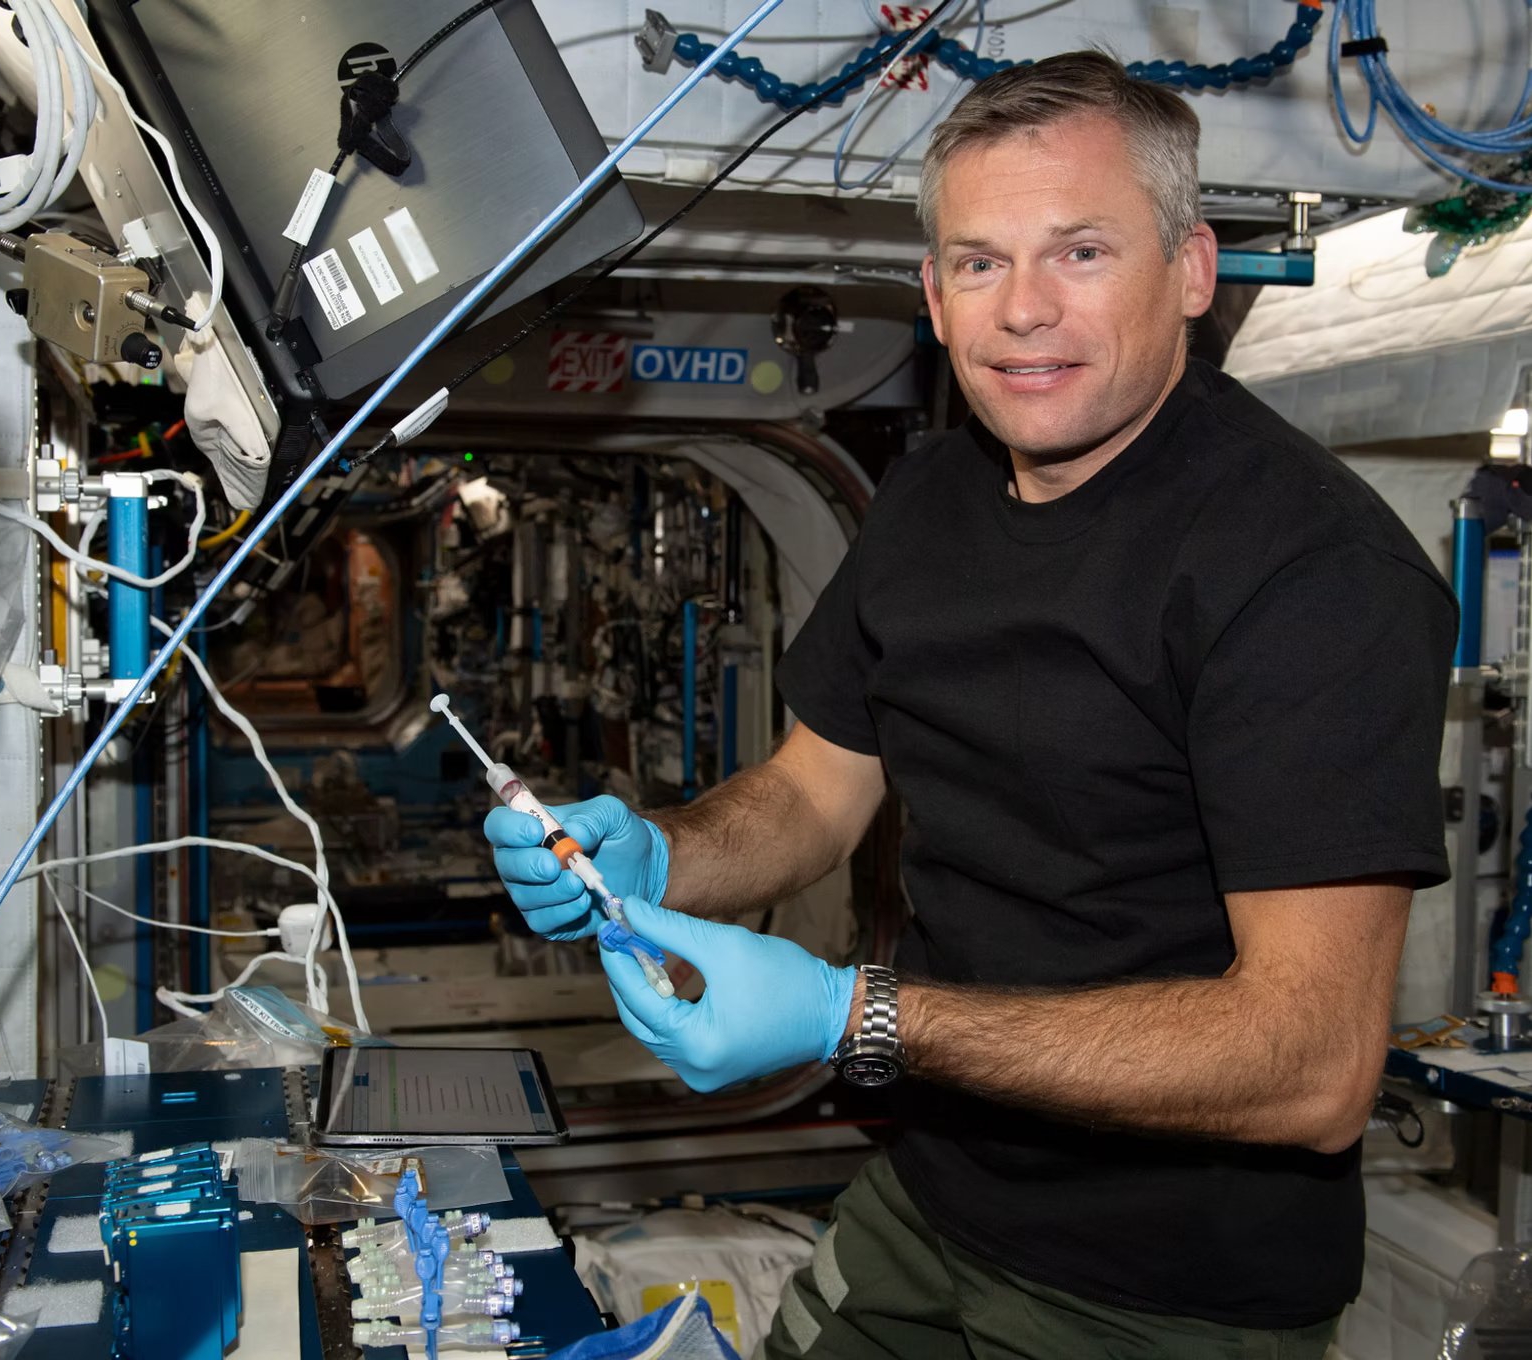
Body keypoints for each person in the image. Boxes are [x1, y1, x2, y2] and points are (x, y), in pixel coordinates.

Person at [485, 50, 1455, 1358]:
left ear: (1192, 270)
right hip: (934, 1196)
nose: (1024, 311)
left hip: (1166, 1290)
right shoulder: (932, 498)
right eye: (981, 263)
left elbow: (1313, 1065)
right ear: (935, 299)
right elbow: (813, 794)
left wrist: (855, 1017)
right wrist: (655, 853)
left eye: (1081, 253)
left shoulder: (1308, 570)